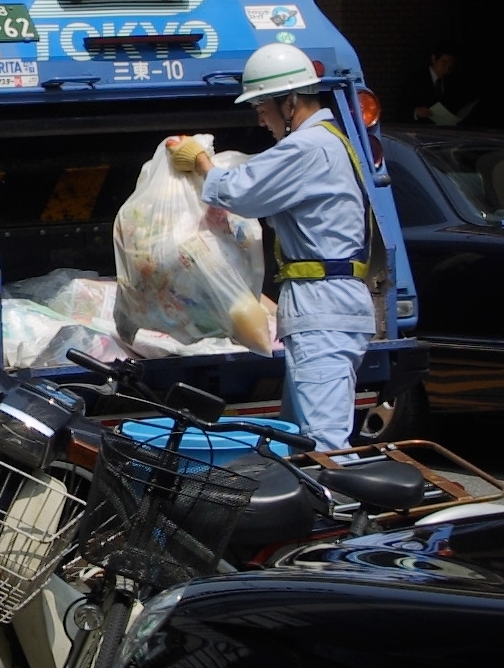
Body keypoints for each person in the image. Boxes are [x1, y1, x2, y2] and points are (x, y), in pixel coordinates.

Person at [166, 45, 374, 451]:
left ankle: (342, 494)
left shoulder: (307, 147)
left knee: (323, 444)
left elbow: (240, 193)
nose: (261, 120)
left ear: (290, 102)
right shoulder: (329, 141)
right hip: (326, 303)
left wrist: (202, 162)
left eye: (263, 108)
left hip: (323, 306)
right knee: (297, 439)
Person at [407, 40, 476, 126]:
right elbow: (402, 110)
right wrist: (416, 112)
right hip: (421, 129)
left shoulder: (452, 82)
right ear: (434, 59)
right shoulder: (415, 80)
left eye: (451, 66)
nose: (447, 69)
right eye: (444, 63)